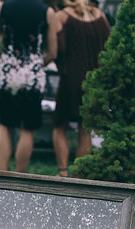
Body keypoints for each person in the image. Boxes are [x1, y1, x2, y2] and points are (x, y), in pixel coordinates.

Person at [0, 0, 58, 173]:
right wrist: (37, 64)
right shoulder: (47, 12)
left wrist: (4, 60)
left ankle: (2, 174)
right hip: (32, 77)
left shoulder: (2, 7)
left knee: (5, 125)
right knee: (27, 129)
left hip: (7, 74)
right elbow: (53, 52)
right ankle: (19, 176)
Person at [51, 0, 109, 177]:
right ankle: (79, 173)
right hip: (95, 80)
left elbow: (56, 50)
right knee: (85, 128)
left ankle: (62, 172)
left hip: (70, 79)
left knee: (58, 125)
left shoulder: (61, 17)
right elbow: (108, 47)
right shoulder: (101, 16)